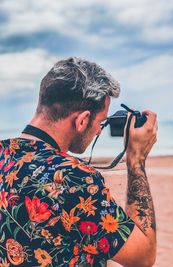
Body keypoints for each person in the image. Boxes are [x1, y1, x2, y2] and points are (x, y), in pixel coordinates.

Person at [0, 57, 157, 267]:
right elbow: (143, 256)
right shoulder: (75, 179)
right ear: (82, 120)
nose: (100, 130)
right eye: (101, 122)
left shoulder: (3, 153)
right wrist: (136, 160)